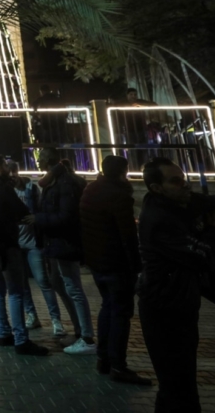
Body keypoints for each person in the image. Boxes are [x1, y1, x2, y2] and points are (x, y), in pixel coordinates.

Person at [137, 156, 215, 412]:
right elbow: (204, 258)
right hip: (166, 308)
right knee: (179, 385)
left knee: (175, 384)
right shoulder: (160, 220)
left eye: (184, 178)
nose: (185, 185)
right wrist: (213, 232)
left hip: (177, 302)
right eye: (176, 181)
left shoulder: (174, 203)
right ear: (157, 188)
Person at [80, 155, 150, 385]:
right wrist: (137, 265)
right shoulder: (119, 196)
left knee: (108, 307)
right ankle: (118, 364)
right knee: (120, 312)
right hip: (116, 263)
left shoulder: (91, 190)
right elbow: (127, 235)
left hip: (97, 261)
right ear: (123, 171)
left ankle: (104, 358)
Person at [0, 155, 49, 356]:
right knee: (15, 291)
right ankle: (21, 339)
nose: (9, 168)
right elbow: (23, 212)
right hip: (7, 246)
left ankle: (3, 332)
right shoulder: (4, 188)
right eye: (6, 165)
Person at [35, 154, 96, 356]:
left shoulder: (64, 184)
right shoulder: (57, 183)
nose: (38, 160)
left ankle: (86, 336)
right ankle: (80, 331)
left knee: (73, 287)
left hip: (65, 243)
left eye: (41, 156)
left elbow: (65, 217)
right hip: (58, 242)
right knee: (62, 284)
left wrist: (38, 218)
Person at [10, 162, 66, 338]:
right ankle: (32, 315)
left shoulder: (30, 188)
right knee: (23, 284)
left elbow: (41, 210)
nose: (12, 175)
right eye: (9, 172)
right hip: (16, 244)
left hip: (33, 242)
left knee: (43, 281)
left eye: (14, 171)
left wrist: (36, 219)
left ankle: (56, 320)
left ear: (18, 171)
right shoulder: (5, 191)